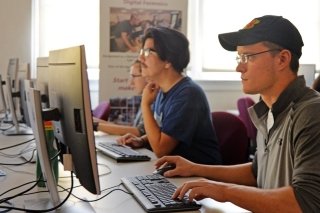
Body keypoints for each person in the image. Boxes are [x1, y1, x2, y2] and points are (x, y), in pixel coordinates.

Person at [155, 15, 320, 212]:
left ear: (282, 59)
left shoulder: (311, 113)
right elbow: (256, 172)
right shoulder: (268, 110)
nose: (239, 67)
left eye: (249, 57)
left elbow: (306, 201)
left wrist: (225, 191)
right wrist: (195, 169)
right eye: (239, 57)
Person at [117, 27, 222, 165]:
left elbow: (161, 150)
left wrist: (145, 105)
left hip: (199, 178)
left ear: (168, 61)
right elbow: (163, 130)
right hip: (175, 172)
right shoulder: (162, 90)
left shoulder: (188, 94)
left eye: (148, 52)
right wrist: (141, 140)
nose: (140, 58)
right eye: (142, 51)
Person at [94, 60, 146, 136]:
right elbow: (133, 129)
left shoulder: (153, 101)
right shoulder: (143, 98)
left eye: (134, 76)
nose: (131, 82)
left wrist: (96, 125)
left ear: (147, 75)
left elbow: (138, 132)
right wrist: (95, 122)